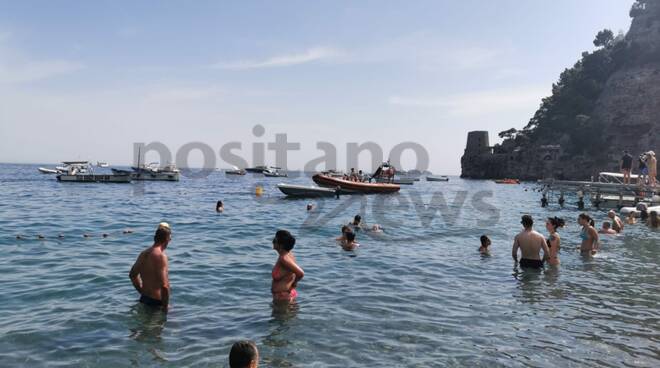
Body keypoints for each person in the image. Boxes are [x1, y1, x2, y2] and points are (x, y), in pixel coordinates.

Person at [129, 223, 171, 310]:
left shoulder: (144, 253)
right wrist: (165, 307)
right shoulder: (161, 256)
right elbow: (164, 286)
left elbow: (132, 275)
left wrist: (141, 291)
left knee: (144, 323)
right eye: (170, 238)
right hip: (157, 303)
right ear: (167, 239)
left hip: (143, 299)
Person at [271, 230, 304, 302]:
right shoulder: (286, 255)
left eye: (275, 240)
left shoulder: (284, 259)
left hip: (283, 298)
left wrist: (294, 284)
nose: (272, 241)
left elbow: (300, 273)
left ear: (281, 245)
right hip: (284, 296)